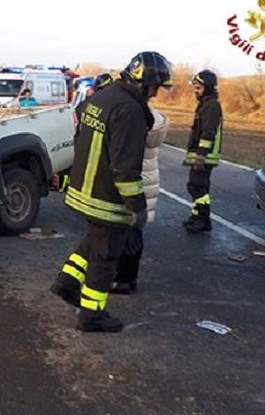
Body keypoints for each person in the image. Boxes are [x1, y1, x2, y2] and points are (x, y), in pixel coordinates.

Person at [50, 51, 173, 333]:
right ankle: (92, 316)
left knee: (94, 241)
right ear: (144, 82)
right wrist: (138, 207)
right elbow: (125, 169)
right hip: (105, 198)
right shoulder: (130, 112)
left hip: (84, 189)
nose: (155, 94)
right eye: (156, 87)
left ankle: (66, 283)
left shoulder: (102, 97)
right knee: (106, 257)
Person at [110, 105, 170, 294]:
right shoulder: (153, 119)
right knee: (134, 233)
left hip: (135, 181)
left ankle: (123, 280)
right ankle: (129, 278)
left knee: (127, 235)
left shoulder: (135, 120)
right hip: (147, 182)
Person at [182, 69, 223, 233]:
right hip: (201, 154)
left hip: (204, 156)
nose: (195, 91)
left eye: (198, 87)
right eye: (195, 87)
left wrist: (201, 156)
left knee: (198, 188)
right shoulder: (206, 104)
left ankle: (202, 220)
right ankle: (196, 217)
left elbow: (208, 132)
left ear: (207, 87)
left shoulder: (211, 106)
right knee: (196, 187)